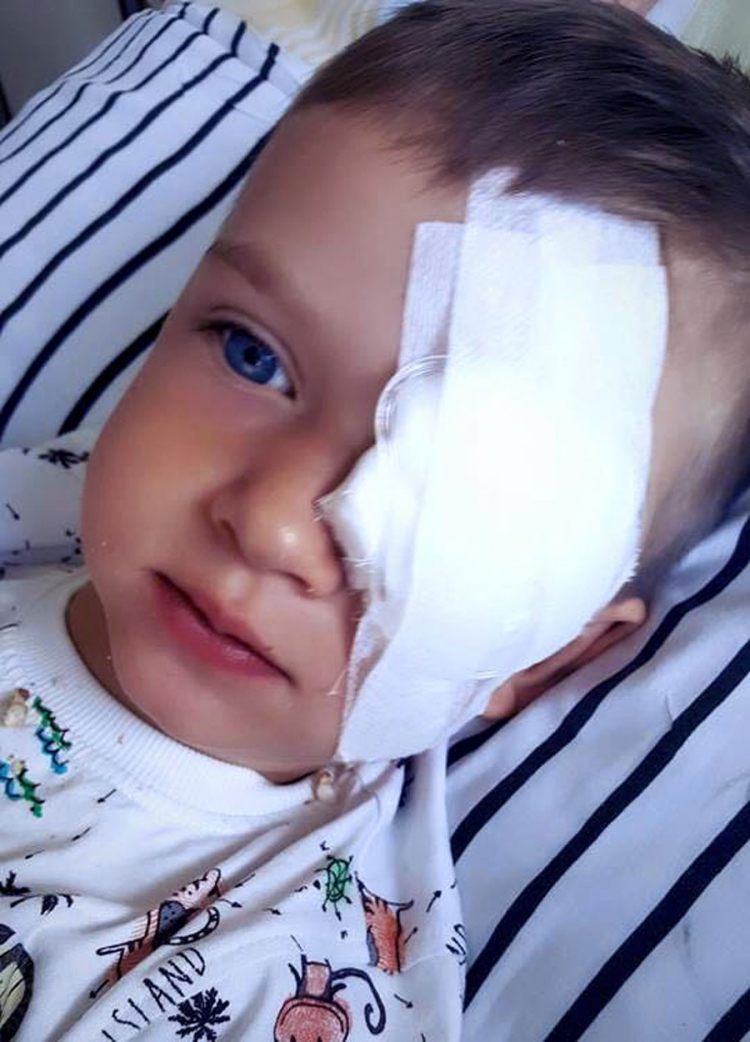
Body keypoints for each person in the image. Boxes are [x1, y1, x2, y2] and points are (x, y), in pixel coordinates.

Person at [0, 1, 748, 1039]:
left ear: (539, 655)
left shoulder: (274, 983)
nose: (270, 523)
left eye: (453, 501)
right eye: (251, 354)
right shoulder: (50, 500)